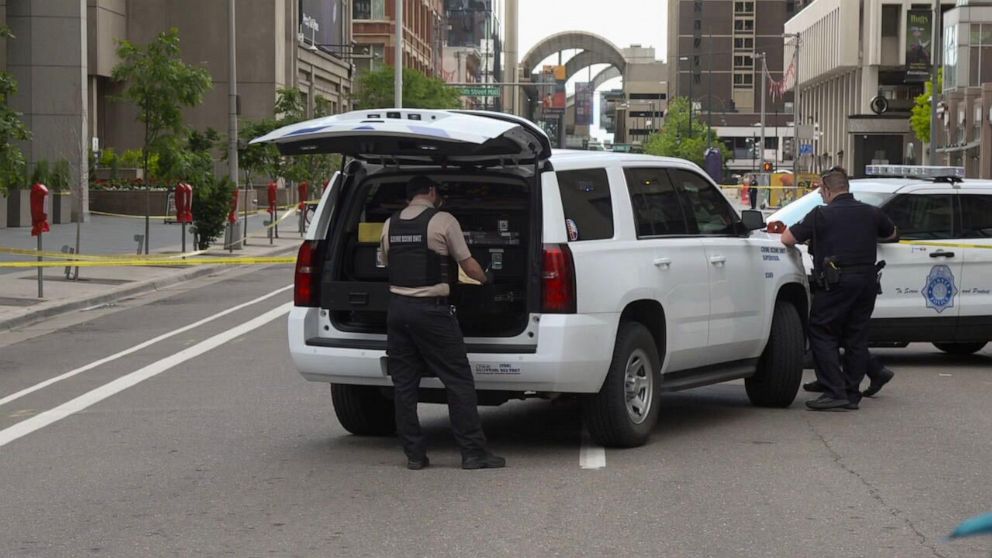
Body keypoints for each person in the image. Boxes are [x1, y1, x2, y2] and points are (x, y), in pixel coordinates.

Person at [380, 175, 506, 470]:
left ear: (408, 196)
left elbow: (386, 262)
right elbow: (467, 264)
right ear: (432, 192)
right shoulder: (444, 220)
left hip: (397, 310)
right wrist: (488, 280)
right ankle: (473, 452)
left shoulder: (390, 224)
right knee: (458, 381)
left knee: (404, 385)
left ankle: (414, 455)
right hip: (431, 312)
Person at [781, 166, 898, 411]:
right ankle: (850, 393)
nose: (821, 195)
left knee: (822, 332)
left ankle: (834, 391)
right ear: (847, 187)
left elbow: (787, 239)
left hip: (835, 282)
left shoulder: (820, 215)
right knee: (856, 336)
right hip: (866, 282)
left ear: (826, 189)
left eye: (821, 191)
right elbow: (892, 233)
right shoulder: (871, 213)